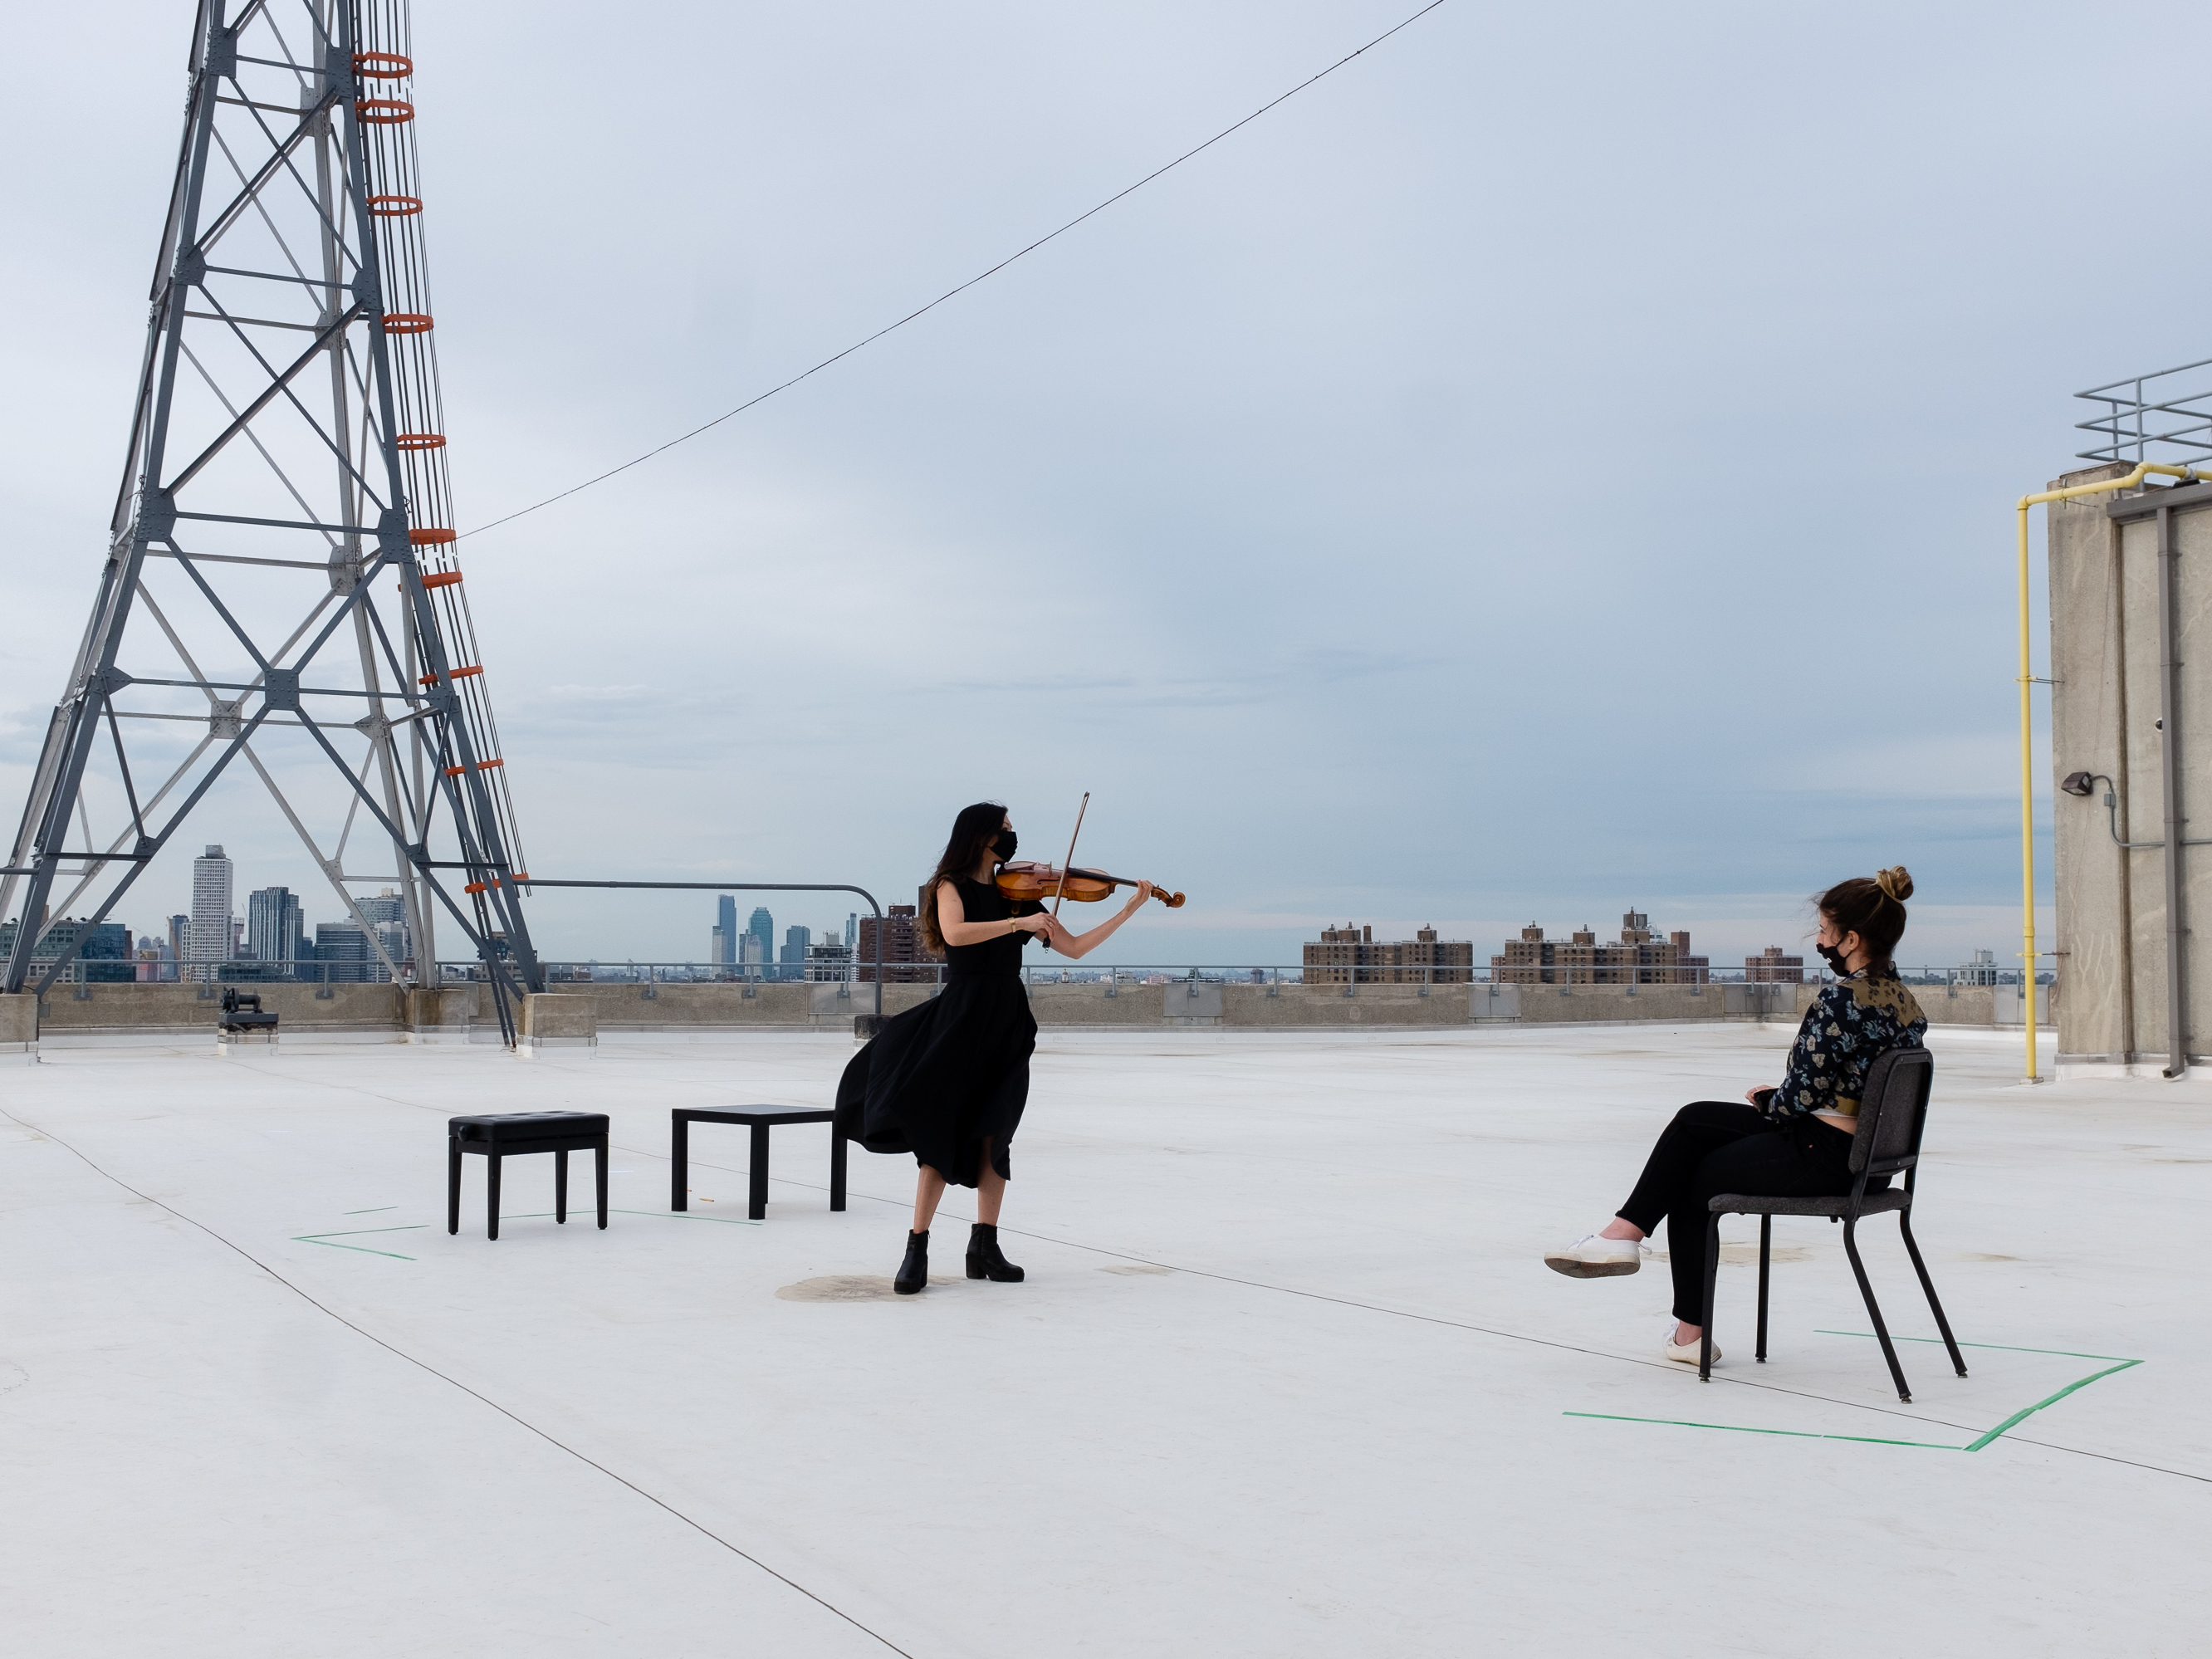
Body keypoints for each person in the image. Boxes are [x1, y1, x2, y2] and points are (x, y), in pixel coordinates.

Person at [1542, 868, 1925, 1365]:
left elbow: (1799, 1099)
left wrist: (1772, 1099)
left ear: (1851, 940)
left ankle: (1687, 1330)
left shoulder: (1840, 1000)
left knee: (1692, 1180)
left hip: (1826, 1154)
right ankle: (1623, 1235)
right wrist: (1782, 1097)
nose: (1820, 940)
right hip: (1869, 1158)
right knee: (1695, 1119)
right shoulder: (1907, 1004)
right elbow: (1840, 1085)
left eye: (1826, 932)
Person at [835, 801, 1152, 1294]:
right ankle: (916, 1247)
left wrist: (1127, 909)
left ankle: (985, 1246)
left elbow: (1074, 948)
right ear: (981, 835)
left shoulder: (1019, 892)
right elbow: (957, 935)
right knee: (940, 1132)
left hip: (1007, 1020)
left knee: (995, 1133)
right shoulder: (951, 886)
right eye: (1004, 828)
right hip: (961, 1017)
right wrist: (1015, 926)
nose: (1012, 836)